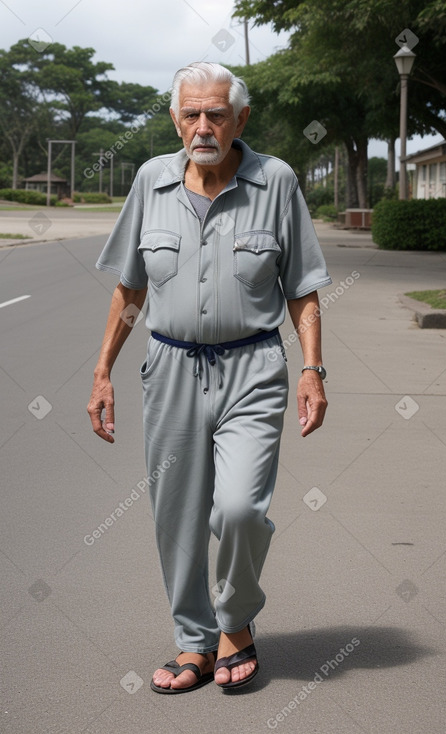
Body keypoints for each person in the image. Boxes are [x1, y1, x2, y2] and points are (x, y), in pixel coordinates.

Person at [87, 61, 331, 693]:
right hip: (170, 368)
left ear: (240, 119)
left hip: (253, 367)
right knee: (177, 513)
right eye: (191, 114)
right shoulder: (151, 181)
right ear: (175, 118)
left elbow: (303, 289)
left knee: (241, 508)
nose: (203, 126)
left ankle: (237, 622)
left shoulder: (274, 181)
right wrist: (102, 373)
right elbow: (129, 288)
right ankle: (194, 642)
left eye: (216, 114)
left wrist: (312, 369)